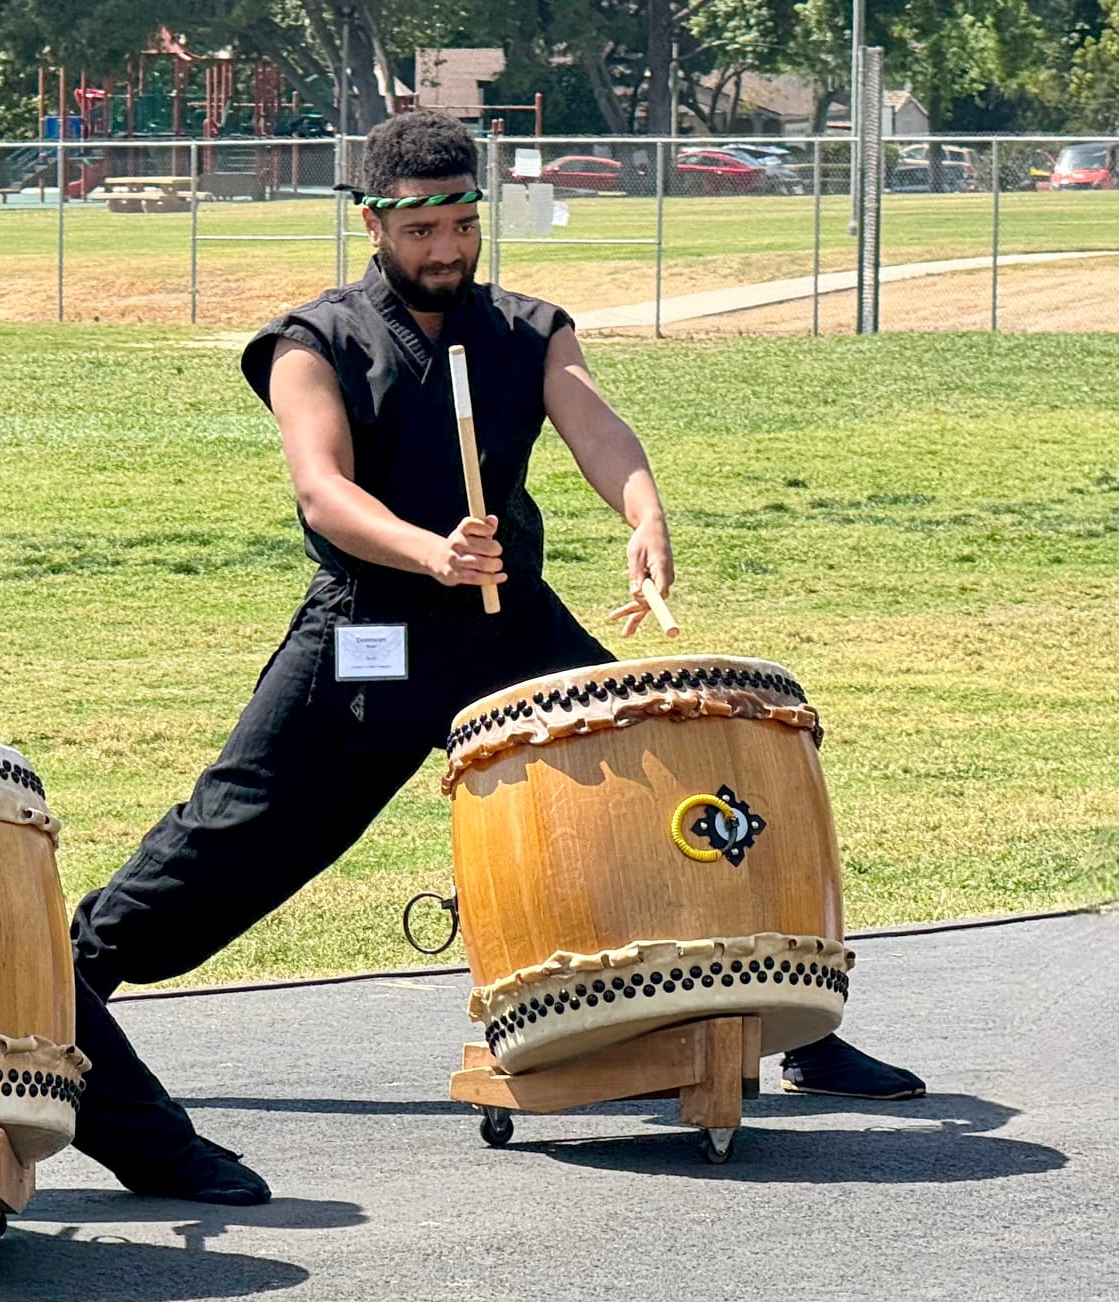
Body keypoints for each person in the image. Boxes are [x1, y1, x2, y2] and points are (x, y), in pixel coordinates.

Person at [66, 110, 922, 1206]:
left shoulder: (524, 328)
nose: (446, 248)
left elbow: (595, 425)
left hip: (506, 627)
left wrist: (641, 510)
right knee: (240, 829)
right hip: (368, 631)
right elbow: (321, 487)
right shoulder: (311, 340)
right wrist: (430, 549)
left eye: (462, 223)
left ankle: (776, 1020)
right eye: (421, 228)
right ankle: (77, 969)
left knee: (673, 772)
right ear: (372, 222)